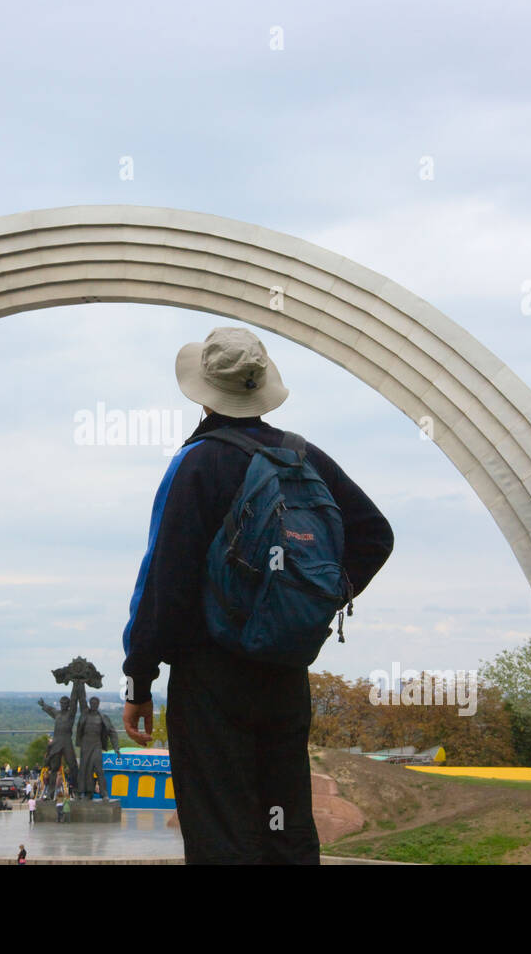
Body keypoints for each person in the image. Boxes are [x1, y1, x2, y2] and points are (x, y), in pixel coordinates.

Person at [121, 327, 394, 865]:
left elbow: (163, 583)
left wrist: (140, 680)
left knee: (222, 831)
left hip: (211, 676)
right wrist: (316, 600)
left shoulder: (196, 463)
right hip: (284, 669)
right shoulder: (303, 456)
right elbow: (375, 535)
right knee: (287, 826)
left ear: (203, 392)